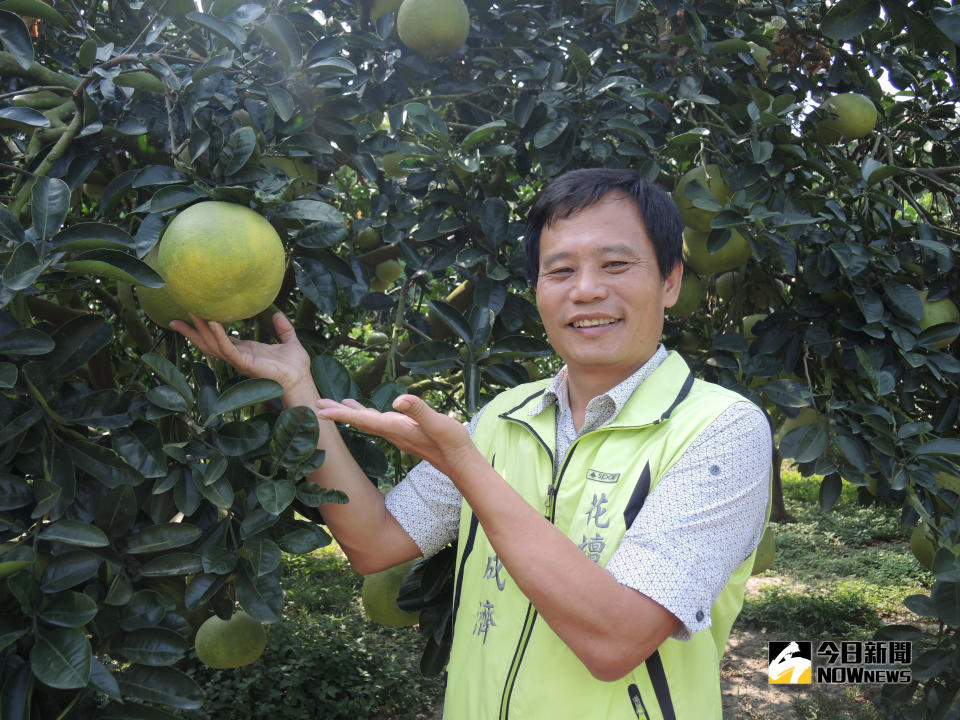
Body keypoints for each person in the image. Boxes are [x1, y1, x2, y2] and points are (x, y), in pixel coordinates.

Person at [172, 168, 771, 720]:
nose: (585, 291)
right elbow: (375, 543)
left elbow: (615, 641)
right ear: (537, 289)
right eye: (560, 271)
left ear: (670, 283)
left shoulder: (720, 429)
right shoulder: (502, 417)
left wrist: (463, 465)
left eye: (616, 265)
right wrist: (297, 387)